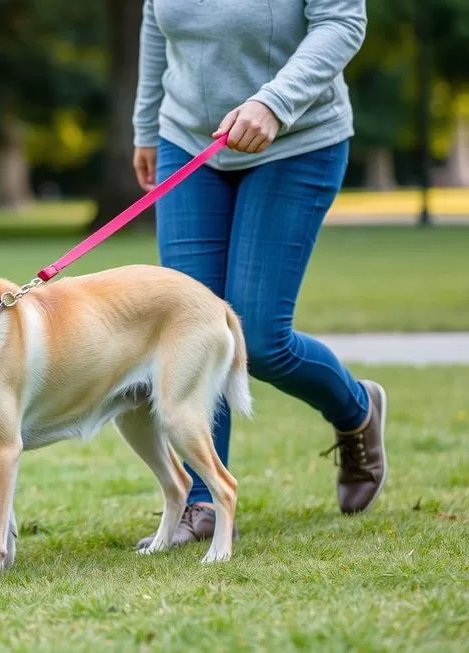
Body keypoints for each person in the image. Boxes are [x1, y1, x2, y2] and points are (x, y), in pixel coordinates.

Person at [131, 0, 387, 548]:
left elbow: (342, 21)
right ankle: (202, 502)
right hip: (189, 141)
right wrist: (147, 126)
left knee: (263, 340)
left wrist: (275, 102)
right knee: (185, 330)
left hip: (296, 139)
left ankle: (357, 411)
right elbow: (157, 25)